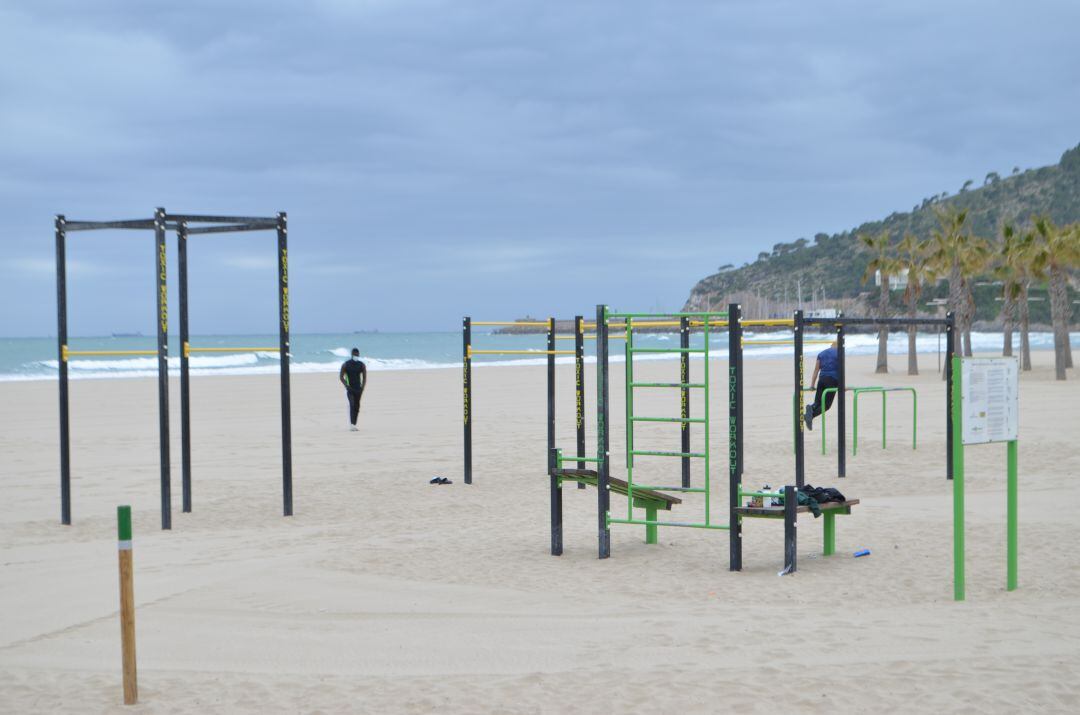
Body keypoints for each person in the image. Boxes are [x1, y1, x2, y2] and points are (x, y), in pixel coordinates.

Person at [804, 341, 839, 431]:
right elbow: (840, 370)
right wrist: (841, 385)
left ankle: (810, 409)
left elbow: (816, 370)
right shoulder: (839, 353)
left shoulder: (821, 353)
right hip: (832, 379)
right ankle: (809, 416)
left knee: (818, 402)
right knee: (826, 405)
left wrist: (812, 385)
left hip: (822, 379)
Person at [339, 348, 367, 431]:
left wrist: (362, 387)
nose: (356, 356)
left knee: (357, 406)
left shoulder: (361, 365)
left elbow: (364, 377)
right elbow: (341, 377)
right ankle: (352, 425)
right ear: (352, 355)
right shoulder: (346, 365)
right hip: (350, 389)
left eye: (357, 355)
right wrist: (346, 385)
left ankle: (354, 424)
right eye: (355, 355)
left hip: (358, 389)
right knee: (352, 404)